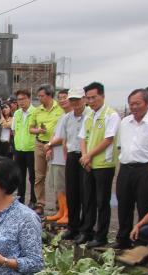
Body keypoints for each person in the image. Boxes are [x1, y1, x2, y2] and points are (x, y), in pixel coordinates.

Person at [113, 88, 148, 249]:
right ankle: (123, 238)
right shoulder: (125, 122)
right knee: (124, 203)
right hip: (126, 167)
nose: (134, 107)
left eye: (137, 103)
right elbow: (120, 146)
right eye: (131, 104)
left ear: (147, 103)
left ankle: (140, 240)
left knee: (144, 204)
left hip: (146, 169)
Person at [78, 81, 120, 248]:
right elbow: (82, 137)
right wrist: (84, 157)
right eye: (88, 98)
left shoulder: (111, 115)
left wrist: (88, 155)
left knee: (102, 201)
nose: (91, 101)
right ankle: (87, 231)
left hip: (104, 164)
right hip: (88, 164)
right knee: (88, 200)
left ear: (102, 96)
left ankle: (101, 235)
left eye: (93, 97)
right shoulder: (89, 115)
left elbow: (108, 139)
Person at [51, 88, 90, 241]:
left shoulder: (89, 116)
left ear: (84, 99)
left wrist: (87, 157)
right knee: (72, 193)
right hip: (72, 156)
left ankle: (86, 229)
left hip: (86, 156)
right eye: (72, 100)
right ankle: (73, 226)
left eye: (77, 100)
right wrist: (67, 160)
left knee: (86, 194)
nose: (75, 103)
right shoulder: (67, 118)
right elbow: (65, 141)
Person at [29, 84, 64, 216]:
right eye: (38, 96)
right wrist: (38, 130)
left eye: (42, 96)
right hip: (40, 144)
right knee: (39, 176)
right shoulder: (37, 111)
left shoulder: (60, 109)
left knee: (56, 177)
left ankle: (59, 205)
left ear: (49, 95)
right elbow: (31, 128)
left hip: (56, 146)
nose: (39, 98)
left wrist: (51, 144)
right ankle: (40, 203)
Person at [44, 89, 70, 223]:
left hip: (63, 158)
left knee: (63, 186)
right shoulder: (62, 116)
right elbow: (54, 134)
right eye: (60, 98)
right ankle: (61, 211)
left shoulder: (71, 116)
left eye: (65, 97)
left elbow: (63, 137)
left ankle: (67, 213)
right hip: (55, 156)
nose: (62, 100)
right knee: (57, 186)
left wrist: (49, 144)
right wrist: (50, 146)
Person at [12, 89, 36, 206]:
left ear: (29, 98)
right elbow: (14, 130)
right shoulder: (17, 113)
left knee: (33, 177)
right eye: (18, 100)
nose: (20, 102)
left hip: (31, 149)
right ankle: (20, 199)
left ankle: (33, 199)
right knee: (20, 175)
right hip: (19, 149)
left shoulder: (36, 112)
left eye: (23, 99)